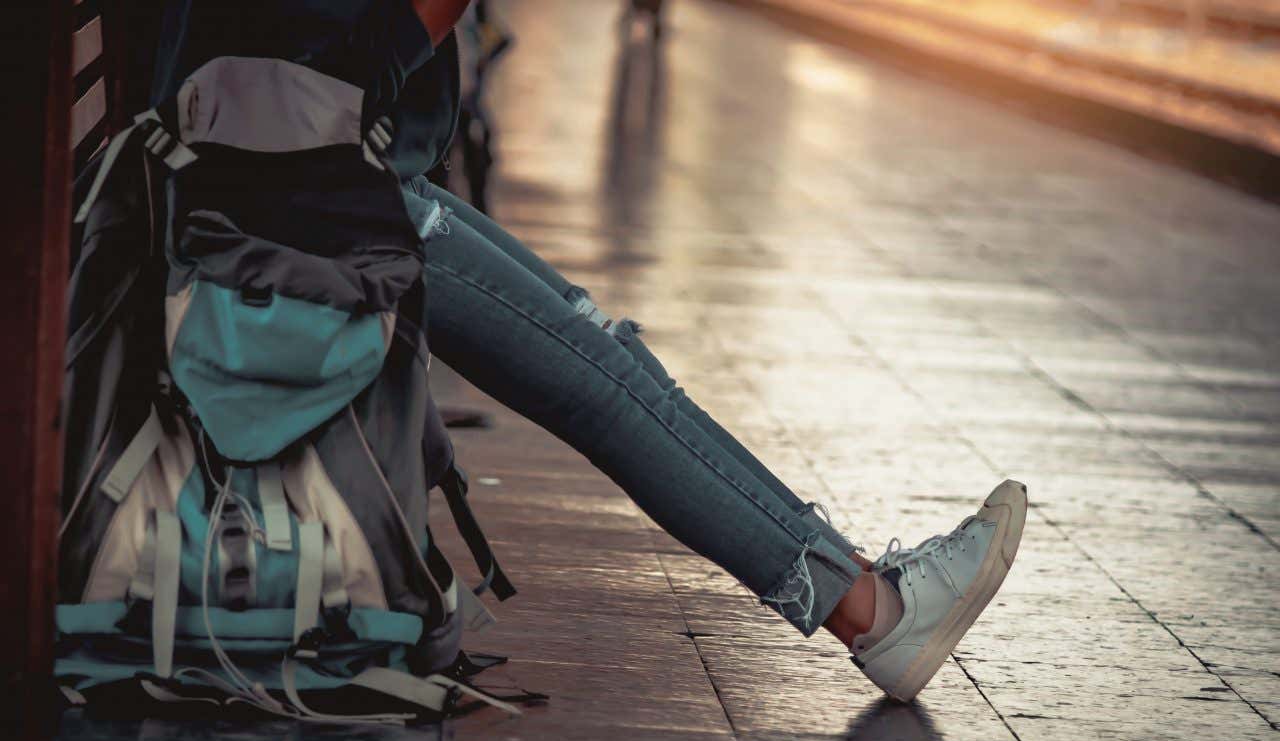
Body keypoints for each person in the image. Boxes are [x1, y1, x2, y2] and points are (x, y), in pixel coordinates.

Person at [149, 0, 1027, 703]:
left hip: (296, 168)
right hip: (298, 190)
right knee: (601, 386)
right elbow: (361, 52)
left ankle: (864, 589)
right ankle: (872, 612)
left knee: (612, 356)